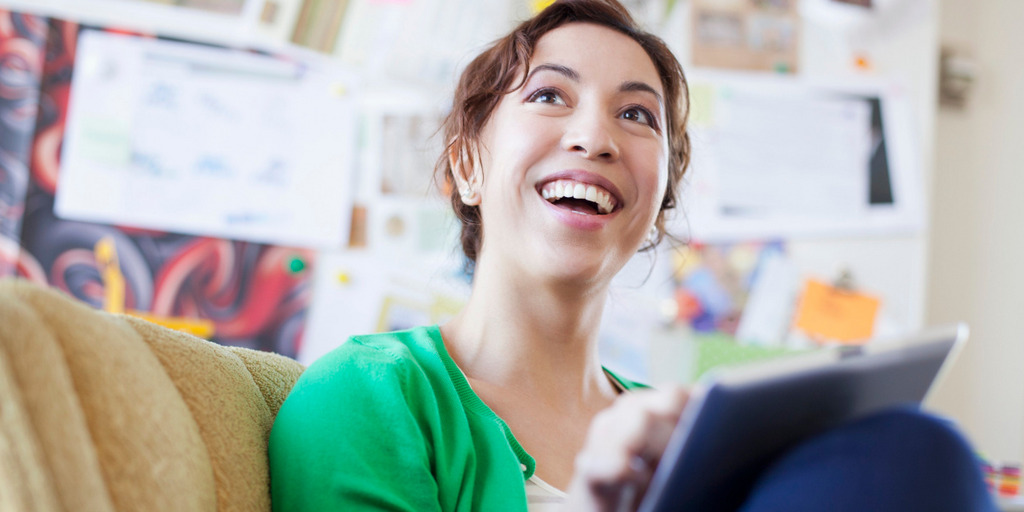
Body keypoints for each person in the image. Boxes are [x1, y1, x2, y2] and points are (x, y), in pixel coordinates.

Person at [268, 1, 997, 511]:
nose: (596, 136)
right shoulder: (364, 394)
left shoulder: (687, 430)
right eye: (551, 96)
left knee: (911, 446)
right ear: (466, 166)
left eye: (636, 114)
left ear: (658, 203)